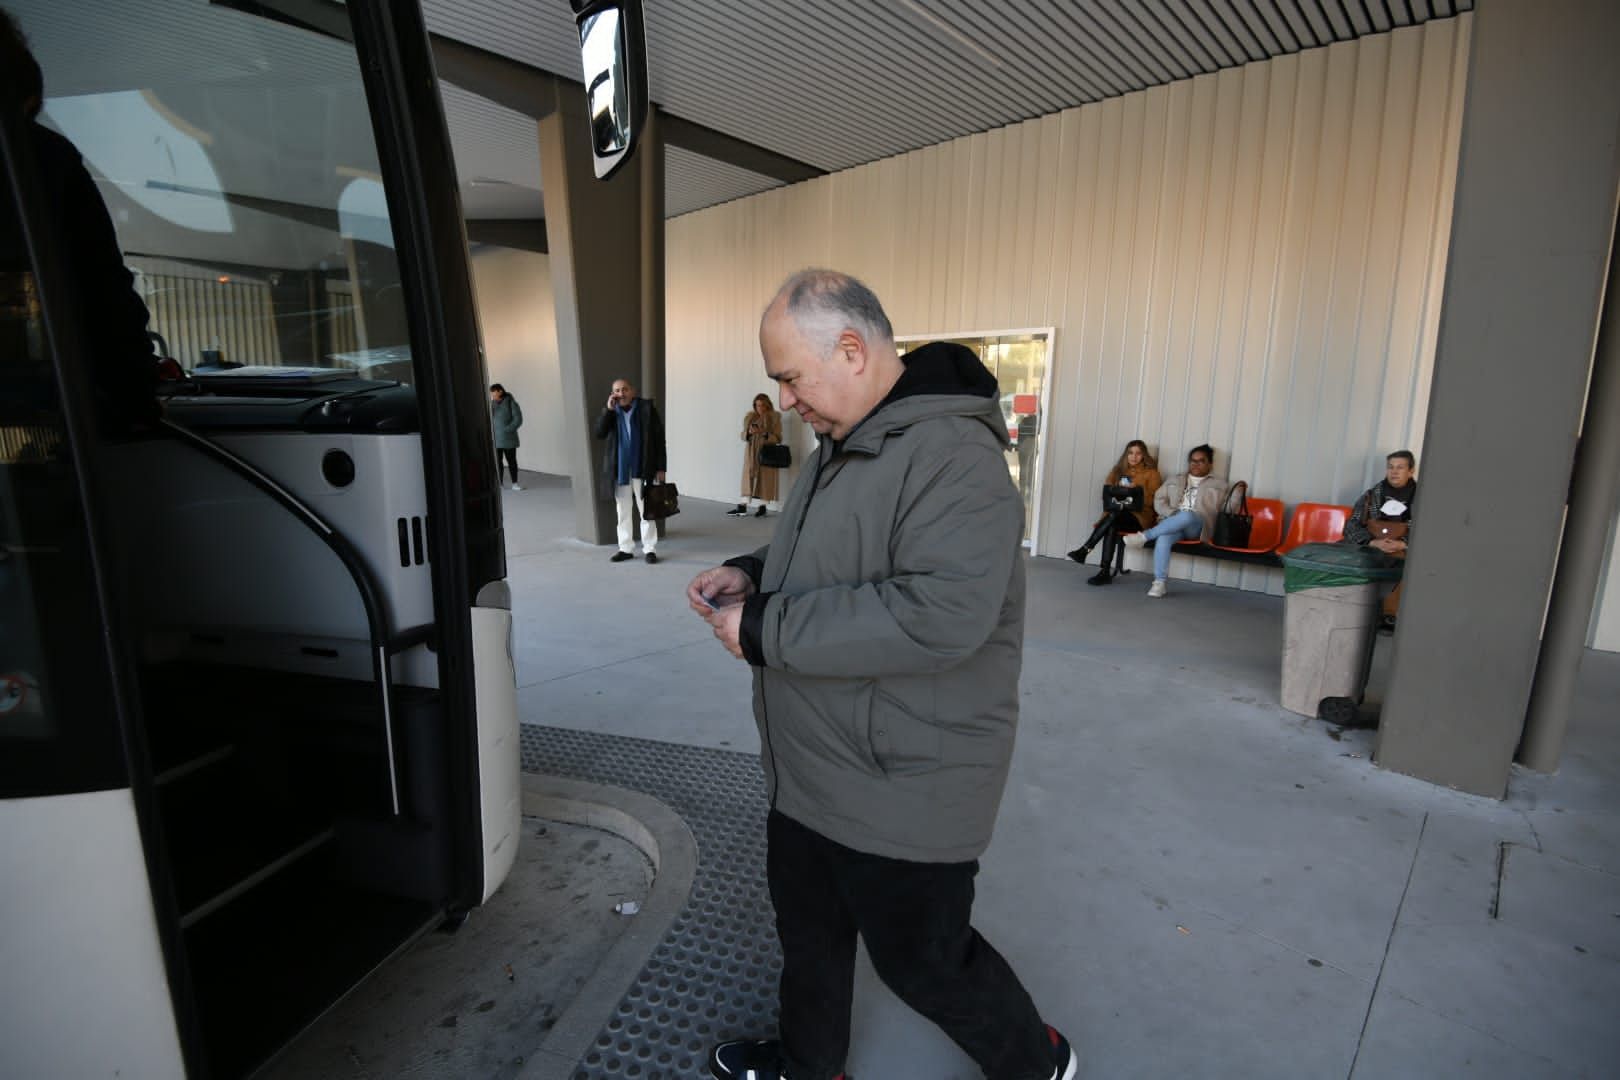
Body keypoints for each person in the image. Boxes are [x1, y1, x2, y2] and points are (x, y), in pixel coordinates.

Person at [686, 269, 1077, 1080]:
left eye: (790, 377)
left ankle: (1034, 1062)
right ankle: (810, 1061)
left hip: (903, 777)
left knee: (926, 963)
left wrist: (765, 629)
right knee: (810, 937)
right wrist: (755, 574)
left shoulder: (954, 458)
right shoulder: (844, 443)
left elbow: (939, 614)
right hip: (815, 766)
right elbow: (837, 552)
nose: (787, 400)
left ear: (853, 350)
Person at [1126, 444, 1226, 598]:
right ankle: (1159, 583)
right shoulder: (1175, 479)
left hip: (1198, 527)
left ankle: (1144, 536)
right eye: (1192, 461)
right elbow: (1159, 500)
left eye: (1201, 461)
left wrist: (1236, 497)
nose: (1195, 464)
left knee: (1187, 515)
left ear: (1210, 464)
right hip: (1172, 523)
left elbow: (1228, 510)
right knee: (1164, 538)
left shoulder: (1220, 485)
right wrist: (1171, 513)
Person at [1066, 439, 1161, 586]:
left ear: (1144, 456)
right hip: (1116, 514)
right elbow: (1106, 494)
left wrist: (1135, 491)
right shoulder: (1117, 471)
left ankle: (1086, 550)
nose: (1134, 457)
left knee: (1114, 517)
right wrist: (1123, 493)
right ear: (1126, 454)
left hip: (1139, 517)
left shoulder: (1152, 474)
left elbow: (1153, 500)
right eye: (1130, 453)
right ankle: (1104, 572)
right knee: (1113, 523)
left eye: (1138, 453)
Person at [593, 377, 666, 564]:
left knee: (647, 511)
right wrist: (608, 410)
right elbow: (600, 432)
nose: (621, 394)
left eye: (625, 389)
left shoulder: (646, 409)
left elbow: (659, 439)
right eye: (617, 390)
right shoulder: (612, 412)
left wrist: (660, 467)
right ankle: (625, 548)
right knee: (622, 511)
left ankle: (649, 549)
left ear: (632, 391)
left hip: (643, 468)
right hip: (620, 470)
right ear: (613, 394)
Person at [1344, 449, 1417, 556]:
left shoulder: (1423, 499)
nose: (1394, 472)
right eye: (1390, 467)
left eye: (1400, 467)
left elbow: (1430, 531)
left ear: (1411, 471)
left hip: (1407, 558)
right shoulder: (1371, 495)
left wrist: (1403, 544)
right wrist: (1372, 542)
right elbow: (1351, 526)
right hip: (1370, 553)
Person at [727, 392, 782, 517]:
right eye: (757, 405)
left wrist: (762, 432)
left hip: (766, 453)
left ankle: (762, 508)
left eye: (762, 405)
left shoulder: (774, 419)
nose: (759, 408)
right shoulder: (750, 418)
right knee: (747, 479)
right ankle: (743, 507)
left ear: (767, 405)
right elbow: (742, 435)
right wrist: (749, 432)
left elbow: (778, 438)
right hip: (751, 453)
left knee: (764, 481)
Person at [489, 383, 523, 490]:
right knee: (498, 462)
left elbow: (518, 419)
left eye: (493, 392)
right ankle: (500, 484)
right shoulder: (492, 404)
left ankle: (515, 483)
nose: (492, 395)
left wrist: (506, 430)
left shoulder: (511, 403)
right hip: (496, 439)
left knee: (511, 461)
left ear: (500, 391)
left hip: (509, 439)